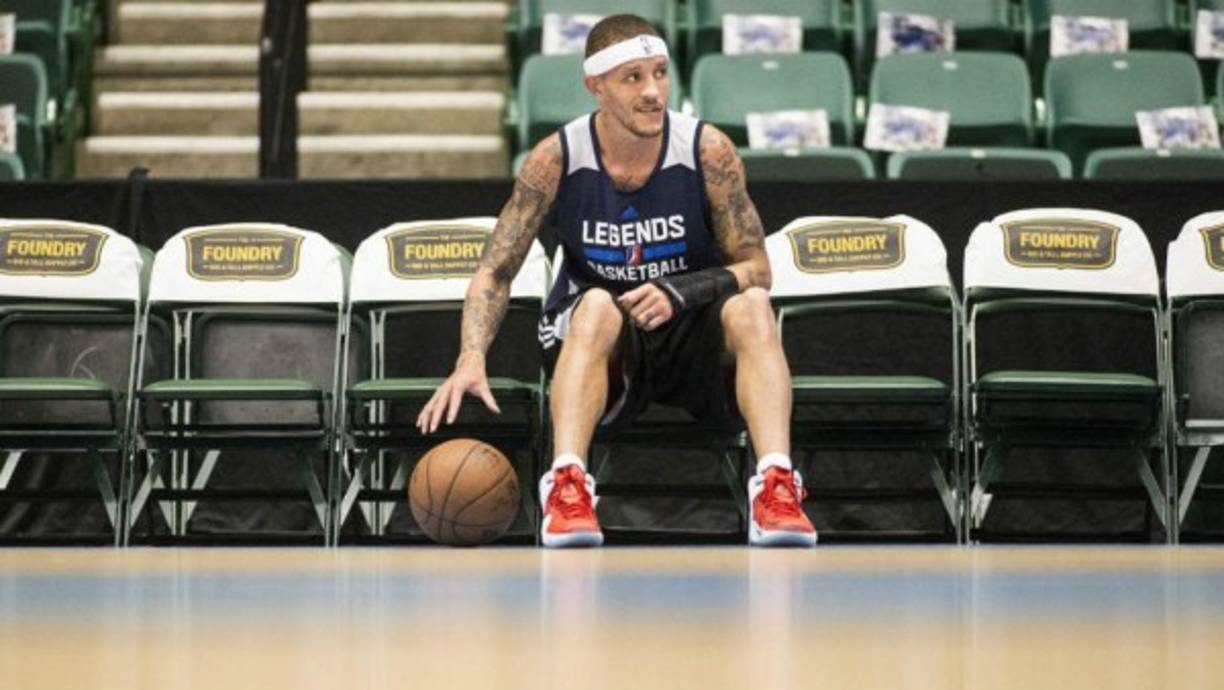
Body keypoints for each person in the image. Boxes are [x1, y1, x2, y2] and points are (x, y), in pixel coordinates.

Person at [416, 14, 815, 548]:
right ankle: (567, 485)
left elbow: (758, 268)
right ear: (595, 86)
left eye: (660, 73)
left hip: (688, 330)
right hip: (602, 343)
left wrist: (683, 291)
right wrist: (471, 356)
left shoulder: (707, 151)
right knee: (598, 303)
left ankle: (775, 486)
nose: (653, 92)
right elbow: (495, 270)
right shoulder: (555, 159)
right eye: (633, 78)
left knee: (753, 307)